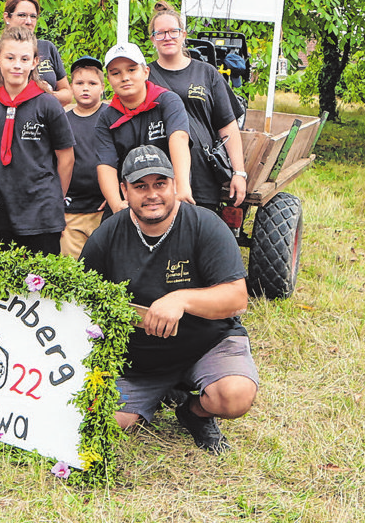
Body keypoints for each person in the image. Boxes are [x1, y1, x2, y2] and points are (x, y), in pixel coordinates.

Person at [79, 146, 258, 453]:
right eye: (140, 186)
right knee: (104, 422)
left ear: (175, 184)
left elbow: (237, 298)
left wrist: (181, 300)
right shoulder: (107, 235)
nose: (152, 195)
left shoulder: (206, 225)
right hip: (139, 362)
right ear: (124, 190)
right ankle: (154, 394)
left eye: (160, 184)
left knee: (235, 395)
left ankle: (194, 412)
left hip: (207, 343)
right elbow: (82, 299)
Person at [0, 25, 74, 256]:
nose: (17, 65)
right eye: (10, 58)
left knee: (40, 285)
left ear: (34, 62)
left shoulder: (47, 104)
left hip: (41, 212)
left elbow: (66, 157)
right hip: (2, 209)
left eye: (24, 58)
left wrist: (54, 198)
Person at [147, 3, 248, 211]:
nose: (167, 37)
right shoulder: (145, 76)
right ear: (153, 39)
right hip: (156, 175)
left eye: (173, 31)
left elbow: (228, 126)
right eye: (161, 33)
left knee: (200, 238)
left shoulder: (206, 73)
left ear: (183, 34)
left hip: (202, 175)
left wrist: (239, 172)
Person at [95, 42, 193, 214]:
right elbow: (106, 165)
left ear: (146, 72)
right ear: (109, 79)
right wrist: (117, 204)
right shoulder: (106, 118)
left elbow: (179, 138)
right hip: (130, 198)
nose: (124, 77)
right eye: (115, 73)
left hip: (168, 193)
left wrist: (182, 188)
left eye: (132, 70)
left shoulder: (168, 101)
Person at [0, 0, 73, 139]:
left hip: (42, 130)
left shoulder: (47, 48)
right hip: (3, 130)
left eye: (33, 16)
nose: (28, 21)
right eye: (22, 15)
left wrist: (43, 97)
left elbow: (67, 93)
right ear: (7, 17)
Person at [60, 55, 107, 258]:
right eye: (79, 83)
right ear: (71, 87)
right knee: (72, 269)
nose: (85, 88)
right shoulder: (62, 120)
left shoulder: (111, 115)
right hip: (72, 210)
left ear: (103, 87)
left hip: (104, 209)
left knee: (104, 266)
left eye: (92, 83)